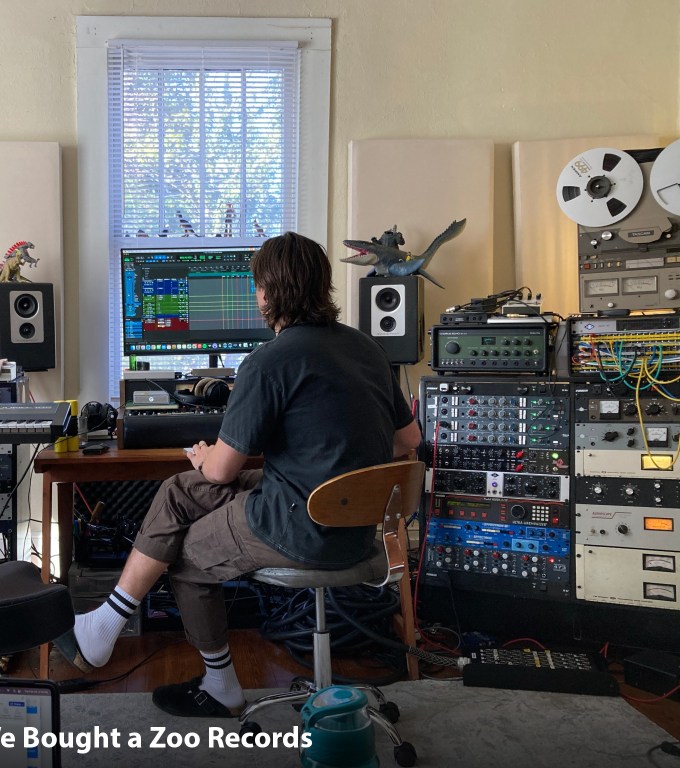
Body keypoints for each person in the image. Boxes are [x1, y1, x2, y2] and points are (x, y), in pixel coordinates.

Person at [54, 231, 421, 718]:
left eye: (256, 287)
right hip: (358, 529)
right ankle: (107, 622)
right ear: (322, 286)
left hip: (302, 526)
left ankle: (219, 684)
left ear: (267, 293)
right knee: (178, 492)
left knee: (185, 552)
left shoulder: (268, 361)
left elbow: (224, 469)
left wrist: (205, 454)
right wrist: (326, 444)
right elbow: (408, 441)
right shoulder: (368, 349)